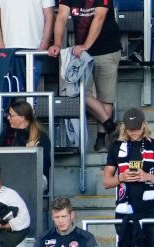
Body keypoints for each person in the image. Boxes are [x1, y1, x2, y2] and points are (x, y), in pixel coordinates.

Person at [103, 108, 154, 247]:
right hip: (124, 209)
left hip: (150, 210)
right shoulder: (116, 147)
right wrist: (121, 177)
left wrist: (147, 176)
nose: (133, 132)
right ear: (125, 128)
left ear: (144, 125)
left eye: (136, 128)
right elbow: (106, 182)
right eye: (130, 129)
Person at [48, 0, 121, 152]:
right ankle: (111, 127)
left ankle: (101, 139)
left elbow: (99, 17)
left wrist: (86, 45)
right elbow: (61, 17)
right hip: (83, 52)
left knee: (105, 97)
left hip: (107, 49)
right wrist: (57, 43)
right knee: (79, 93)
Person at [0, 0, 52, 93]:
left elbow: (49, 18)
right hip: (8, 50)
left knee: (29, 94)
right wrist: (2, 49)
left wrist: (43, 46)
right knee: (7, 93)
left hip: (35, 49)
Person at [0, 100, 52, 185]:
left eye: (11, 115)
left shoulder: (40, 136)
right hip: (9, 174)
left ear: (22, 118)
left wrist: (30, 155)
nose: (8, 118)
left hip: (33, 177)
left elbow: (44, 166)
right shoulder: (7, 132)